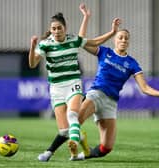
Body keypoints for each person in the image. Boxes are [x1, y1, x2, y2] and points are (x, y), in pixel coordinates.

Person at [75, 27, 159, 160]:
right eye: (120, 37)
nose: (124, 40)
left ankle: (84, 154)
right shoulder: (104, 52)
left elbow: (145, 89)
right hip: (96, 94)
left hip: (111, 102)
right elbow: (81, 42)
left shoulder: (132, 63)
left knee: (106, 148)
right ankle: (50, 151)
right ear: (114, 40)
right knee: (75, 122)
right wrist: (86, 17)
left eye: (126, 38)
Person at [28, 3, 91, 162]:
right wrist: (32, 46)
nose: (56, 31)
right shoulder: (45, 44)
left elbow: (83, 37)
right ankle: (80, 142)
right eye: (54, 28)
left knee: (72, 114)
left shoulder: (72, 40)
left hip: (73, 83)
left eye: (59, 28)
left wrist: (86, 17)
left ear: (65, 28)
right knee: (64, 130)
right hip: (56, 88)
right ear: (51, 29)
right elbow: (32, 64)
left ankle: (66, 145)